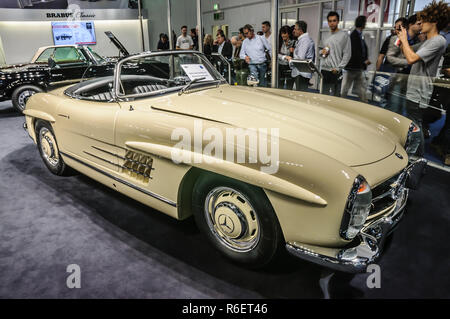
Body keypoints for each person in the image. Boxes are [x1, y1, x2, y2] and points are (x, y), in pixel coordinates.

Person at [398, 0, 448, 156]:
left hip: (420, 91)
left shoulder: (438, 41)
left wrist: (405, 39)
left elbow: (411, 58)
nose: (420, 23)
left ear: (434, 21)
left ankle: (415, 158)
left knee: (415, 126)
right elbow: (405, 52)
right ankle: (416, 157)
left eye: (424, 19)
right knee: (415, 124)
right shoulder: (428, 41)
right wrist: (405, 37)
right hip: (414, 89)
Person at [384, 17, 422, 115]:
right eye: (418, 24)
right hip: (398, 78)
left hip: (411, 80)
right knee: (394, 108)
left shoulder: (418, 41)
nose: (421, 26)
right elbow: (390, 58)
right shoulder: (398, 39)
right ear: (410, 25)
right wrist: (408, 62)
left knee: (403, 110)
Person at [320, 11, 351, 96]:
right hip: (325, 70)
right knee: (324, 96)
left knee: (335, 98)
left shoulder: (344, 36)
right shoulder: (325, 35)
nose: (332, 23)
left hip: (335, 71)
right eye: (330, 21)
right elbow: (320, 50)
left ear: (338, 21)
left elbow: (347, 54)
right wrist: (321, 52)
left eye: (334, 20)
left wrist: (338, 68)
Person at [341, 15, 371, 103]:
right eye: (365, 22)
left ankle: (364, 102)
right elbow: (355, 51)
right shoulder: (354, 35)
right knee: (346, 87)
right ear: (362, 23)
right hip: (352, 66)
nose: (365, 24)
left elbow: (361, 50)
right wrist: (364, 60)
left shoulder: (359, 35)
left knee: (360, 87)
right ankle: (341, 101)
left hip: (358, 67)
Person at [284, 21, 315, 92]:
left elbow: (300, 58)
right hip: (300, 72)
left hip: (301, 73)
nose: (293, 31)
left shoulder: (305, 41)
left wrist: (290, 59)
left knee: (300, 96)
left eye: (295, 29)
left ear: (300, 30)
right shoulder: (302, 40)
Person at [277, 25, 296, 89]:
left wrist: (294, 51)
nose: (283, 35)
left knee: (289, 86)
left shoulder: (294, 42)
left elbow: (297, 55)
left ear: (289, 34)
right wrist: (285, 56)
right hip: (280, 66)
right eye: (281, 33)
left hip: (290, 67)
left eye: (284, 33)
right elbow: (275, 54)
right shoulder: (279, 42)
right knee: (280, 85)